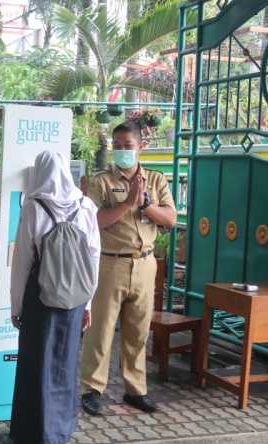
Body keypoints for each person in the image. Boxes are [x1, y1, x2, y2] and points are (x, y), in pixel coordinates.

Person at [80, 120, 176, 416]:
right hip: (111, 262)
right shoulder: (100, 182)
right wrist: (127, 203)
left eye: (128, 146)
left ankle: (136, 390)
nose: (122, 151)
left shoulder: (157, 180)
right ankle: (92, 389)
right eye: (117, 146)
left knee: (138, 331)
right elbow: (91, 222)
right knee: (101, 329)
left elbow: (170, 219)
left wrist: (145, 204)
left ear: (140, 147)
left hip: (145, 264)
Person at [9, 151, 101, 444]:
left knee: (37, 362)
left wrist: (16, 306)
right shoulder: (86, 206)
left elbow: (22, 260)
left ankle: (36, 433)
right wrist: (87, 303)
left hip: (41, 297)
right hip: (74, 298)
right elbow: (93, 257)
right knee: (65, 361)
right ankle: (61, 431)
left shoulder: (34, 207)